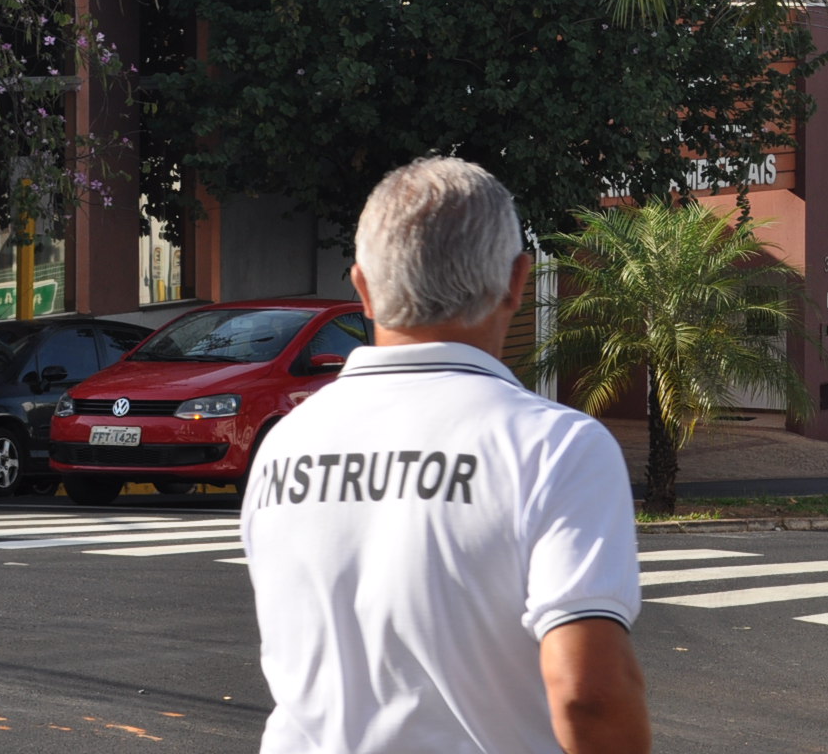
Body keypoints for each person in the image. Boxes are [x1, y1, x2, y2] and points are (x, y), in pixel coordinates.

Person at [243, 157, 651, 753]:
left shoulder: (285, 442)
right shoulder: (556, 447)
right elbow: (587, 693)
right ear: (517, 281)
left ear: (362, 288)